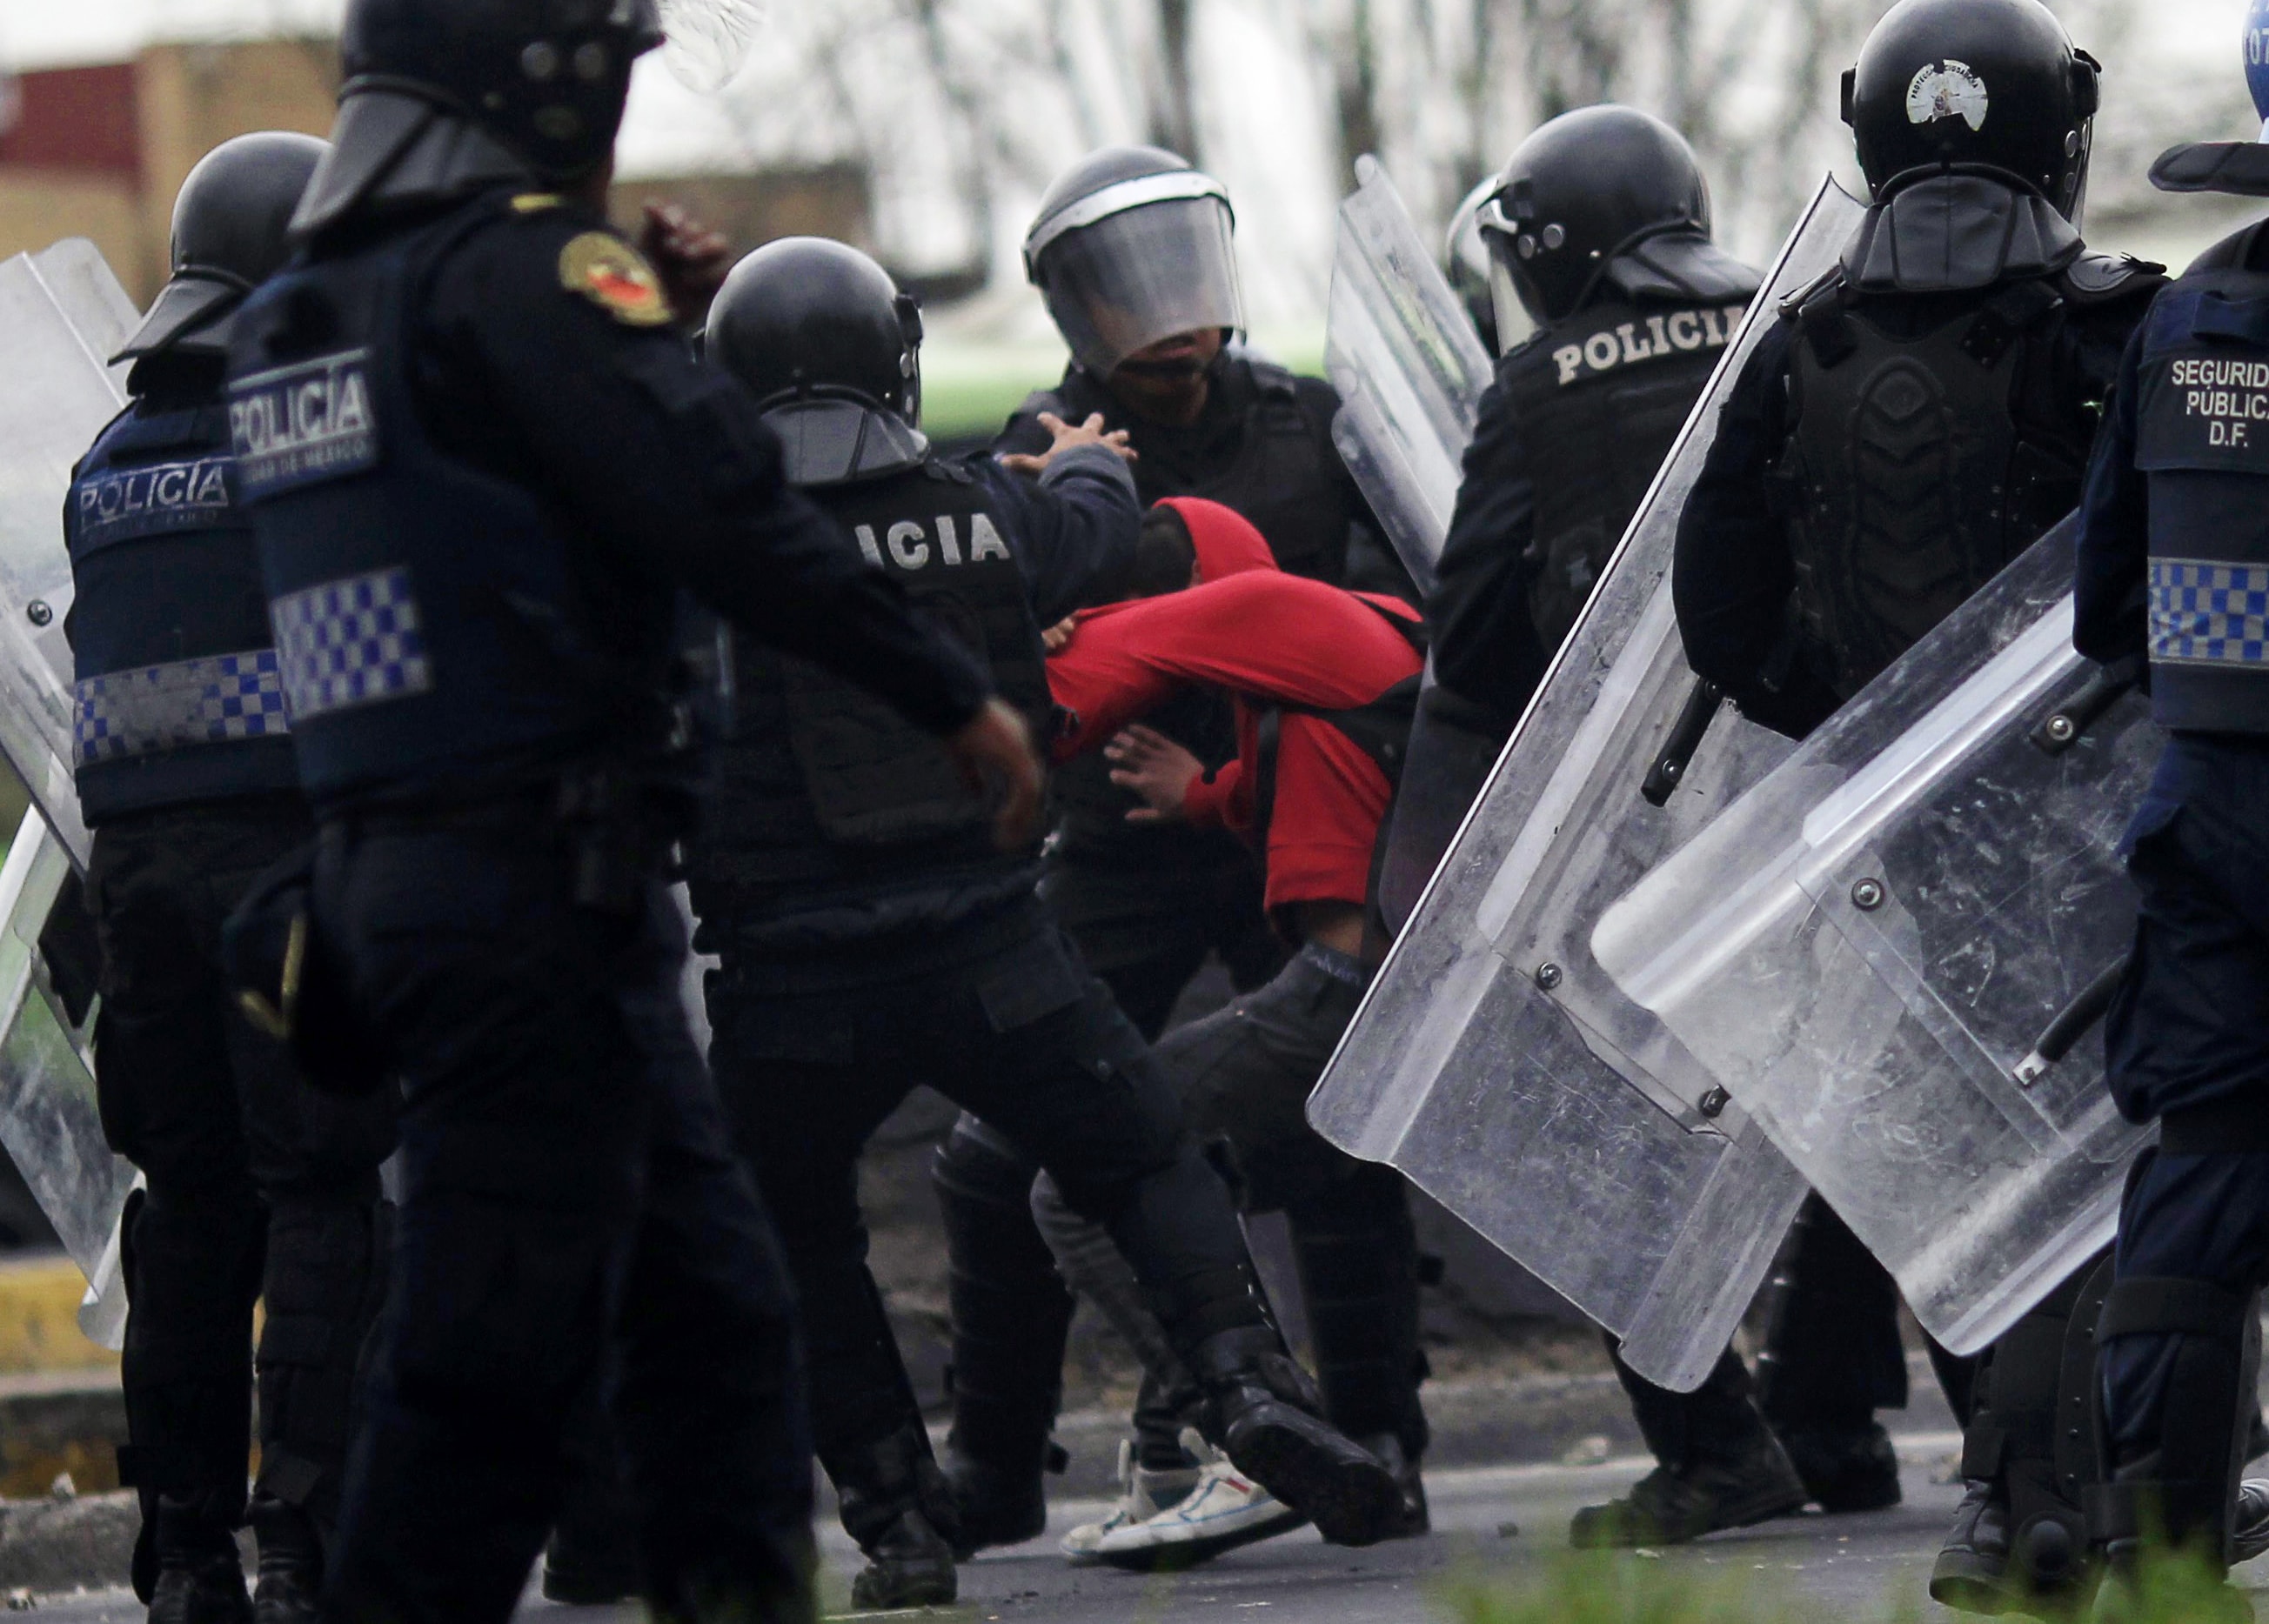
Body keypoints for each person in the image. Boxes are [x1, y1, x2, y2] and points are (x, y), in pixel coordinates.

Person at [223, 5, 1050, 1621]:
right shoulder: (527, 280)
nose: (609, 106)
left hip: (411, 892)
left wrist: (631, 339)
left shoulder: (302, 313)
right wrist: (948, 693)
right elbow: (719, 510)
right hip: (538, 898)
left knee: (716, 1339)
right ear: (527, 78)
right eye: (602, 69)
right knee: (482, 1374)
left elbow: (488, 514)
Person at [693, 237, 1408, 1611]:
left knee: (798, 1230)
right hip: (989, 949)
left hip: (789, 983)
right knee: (1140, 1150)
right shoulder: (979, 513)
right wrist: (1075, 456)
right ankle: (1249, 1387)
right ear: (889, 364)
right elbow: (1093, 527)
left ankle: (902, 1521)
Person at [1671, 0, 2167, 1599]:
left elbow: (1716, 616)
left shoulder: (1790, 347)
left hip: (1893, 839)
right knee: (2118, 1153)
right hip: (2104, 821)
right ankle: (2073, 1490)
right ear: (2054, 134)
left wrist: (1863, 726)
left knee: (1982, 1159)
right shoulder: (2117, 324)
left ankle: (2019, 1493)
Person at [932, 143, 1406, 1555]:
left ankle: (1372, 1434)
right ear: (1074, 310)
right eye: (1126, 286)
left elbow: (1393, 602)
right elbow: (1010, 644)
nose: (1169, 315)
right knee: (992, 1146)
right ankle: (999, 1466)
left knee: (1340, 1127)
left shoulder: (1312, 419)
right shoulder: (1045, 453)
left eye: (1181, 269)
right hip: (1119, 840)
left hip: (1279, 817)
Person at [69, 133, 398, 1624]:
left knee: (190, 1213)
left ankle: (186, 1556)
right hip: (292, 882)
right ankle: (300, 1546)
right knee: (322, 1194)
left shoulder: (106, 469)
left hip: (139, 896)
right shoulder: (319, 439)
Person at [1021, 496, 1429, 1570]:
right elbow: (1314, 774)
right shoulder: (1357, 625)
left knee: (1083, 1183)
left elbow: (1048, 703)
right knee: (1185, 1201)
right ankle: (1183, 1459)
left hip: (1335, 994)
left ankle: (1245, 1444)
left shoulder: (1248, 605)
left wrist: (1033, 619)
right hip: (1398, 991)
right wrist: (1202, 796)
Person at [2067, 9, 2269, 1607]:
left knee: (2201, 1164)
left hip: (2212, 808)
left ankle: (2168, 1555)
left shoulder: (2188, 318)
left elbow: (2102, 608)